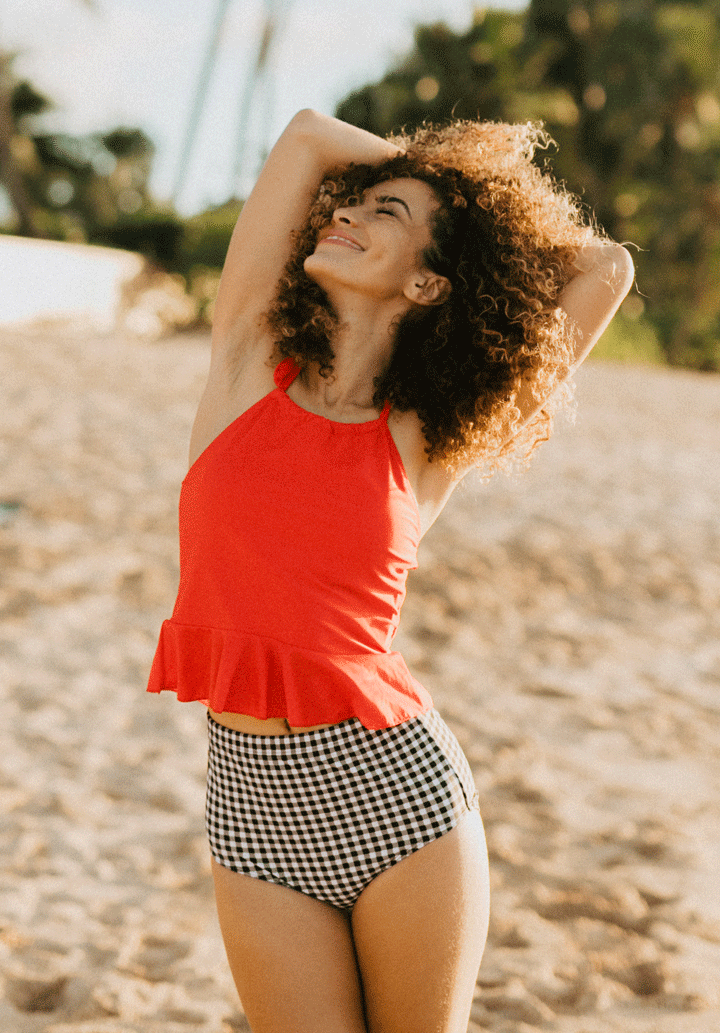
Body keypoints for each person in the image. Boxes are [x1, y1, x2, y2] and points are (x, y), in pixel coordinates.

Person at [148, 109, 634, 1033]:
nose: (348, 214)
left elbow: (605, 269)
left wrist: (481, 216)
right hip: (252, 809)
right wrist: (425, 179)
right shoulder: (246, 362)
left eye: (387, 213)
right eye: (355, 204)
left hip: (399, 799)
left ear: (428, 281)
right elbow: (305, 138)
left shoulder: (425, 440)